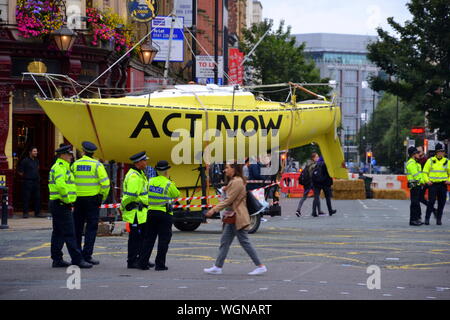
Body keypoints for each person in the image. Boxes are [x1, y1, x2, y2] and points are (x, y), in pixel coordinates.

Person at [204, 163, 267, 276]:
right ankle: (217, 267)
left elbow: (228, 200)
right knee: (225, 242)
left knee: (244, 242)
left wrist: (213, 210)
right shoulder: (234, 181)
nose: (225, 170)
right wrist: (224, 190)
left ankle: (260, 266)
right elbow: (228, 198)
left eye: (227, 168)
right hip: (232, 216)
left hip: (238, 216)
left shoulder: (237, 181)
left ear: (234, 169)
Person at [48, 145, 92, 268]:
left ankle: (57, 259)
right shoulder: (61, 168)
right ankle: (77, 259)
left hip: (58, 203)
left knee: (58, 232)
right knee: (70, 233)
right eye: (69, 154)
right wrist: (68, 200)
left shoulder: (63, 167)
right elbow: (61, 186)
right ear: (62, 155)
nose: (71, 157)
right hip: (61, 204)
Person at [72, 141, 110, 265]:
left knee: (77, 228)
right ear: (93, 153)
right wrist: (101, 197)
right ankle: (87, 255)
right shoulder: (97, 165)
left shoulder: (75, 164)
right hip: (92, 200)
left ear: (83, 151)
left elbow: (70, 182)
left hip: (77, 200)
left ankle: (77, 256)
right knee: (91, 228)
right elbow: (105, 183)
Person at [138, 160, 180, 271]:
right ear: (166, 171)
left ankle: (143, 263)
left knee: (149, 239)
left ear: (156, 170)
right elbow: (176, 194)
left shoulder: (150, 181)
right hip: (164, 214)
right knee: (163, 240)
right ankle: (159, 264)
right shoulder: (168, 183)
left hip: (151, 213)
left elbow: (145, 192)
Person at [121, 152, 150, 269]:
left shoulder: (140, 174)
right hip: (135, 213)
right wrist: (123, 205)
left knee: (142, 237)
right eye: (144, 161)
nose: (146, 162)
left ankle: (141, 259)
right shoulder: (134, 176)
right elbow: (131, 195)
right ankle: (132, 261)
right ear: (138, 163)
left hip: (141, 213)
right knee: (135, 239)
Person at [422, 143, 450, 225]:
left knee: (442, 202)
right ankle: (427, 219)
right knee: (431, 202)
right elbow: (424, 173)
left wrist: (449, 180)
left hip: (443, 185)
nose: (441, 153)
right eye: (439, 151)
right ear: (436, 152)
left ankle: (439, 219)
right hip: (433, 185)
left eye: (442, 151)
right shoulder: (430, 161)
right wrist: (427, 181)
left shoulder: (447, 161)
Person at [17, 147, 43, 218]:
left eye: (36, 151)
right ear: (30, 152)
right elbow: (20, 172)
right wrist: (27, 176)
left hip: (36, 182)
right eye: (34, 151)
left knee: (37, 198)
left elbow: (37, 169)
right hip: (28, 182)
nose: (36, 152)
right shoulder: (25, 161)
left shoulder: (37, 160)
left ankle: (37, 213)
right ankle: (25, 213)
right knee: (26, 198)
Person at [405, 146, 424, 226]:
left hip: (416, 184)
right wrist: (422, 181)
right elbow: (416, 175)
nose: (418, 154)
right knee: (414, 203)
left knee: (416, 203)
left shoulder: (415, 163)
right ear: (413, 154)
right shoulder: (412, 163)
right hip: (414, 184)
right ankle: (413, 220)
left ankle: (416, 219)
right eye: (417, 153)